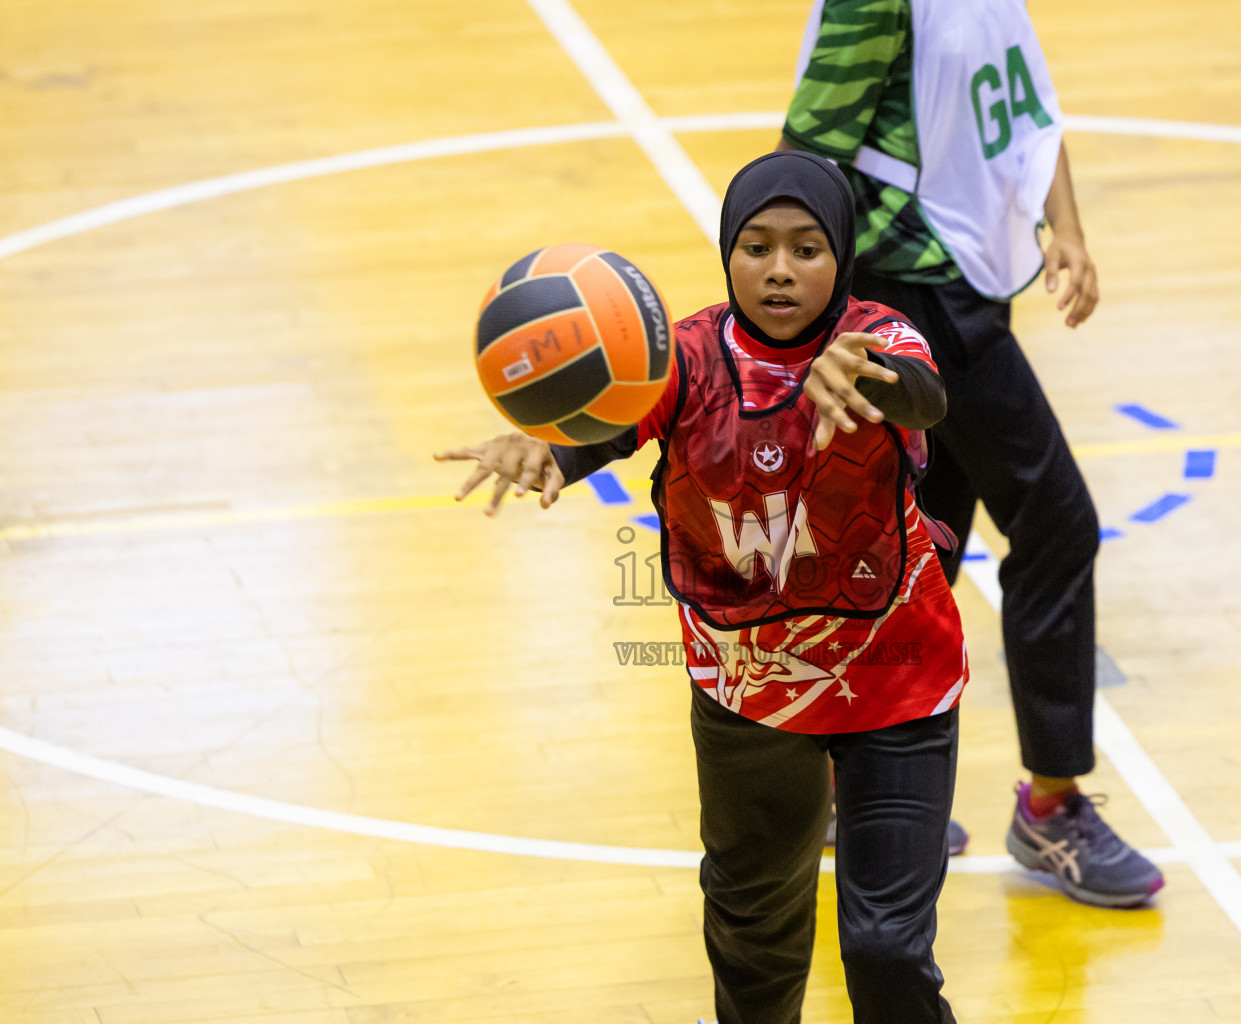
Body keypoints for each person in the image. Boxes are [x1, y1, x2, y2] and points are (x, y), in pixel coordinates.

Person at [438, 150, 968, 1023]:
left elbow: (924, 399)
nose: (780, 270)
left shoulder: (883, 336)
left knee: (885, 951)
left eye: (806, 249)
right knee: (752, 932)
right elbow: (610, 425)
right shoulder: (683, 355)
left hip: (898, 688)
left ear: (839, 256)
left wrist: (865, 374)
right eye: (757, 247)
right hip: (747, 695)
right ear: (730, 254)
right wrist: (551, 450)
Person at [778, 0, 1164, 908]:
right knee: (1058, 524)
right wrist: (814, 328)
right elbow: (806, 157)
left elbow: (1030, 112)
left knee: (926, 541)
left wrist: (1064, 226)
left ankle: (853, 785)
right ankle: (1053, 807)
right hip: (913, 297)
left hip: (968, 282)